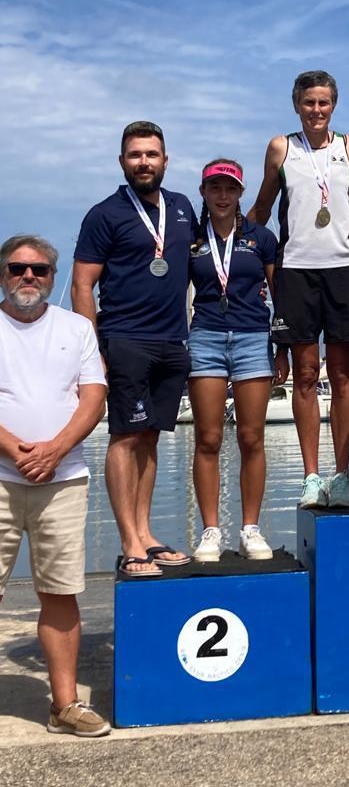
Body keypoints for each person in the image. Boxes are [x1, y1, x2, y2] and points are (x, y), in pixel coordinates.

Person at [72, 121, 197, 577]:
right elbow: (82, 286)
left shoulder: (182, 207)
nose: (144, 162)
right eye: (135, 155)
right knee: (125, 436)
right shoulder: (104, 214)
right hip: (124, 339)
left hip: (172, 341)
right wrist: (91, 351)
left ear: (166, 160)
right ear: (122, 161)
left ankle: (145, 532)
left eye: (151, 154)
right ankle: (129, 543)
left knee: (150, 437)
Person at [0, 235, 110, 736]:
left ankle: (63, 705)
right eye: (18, 269)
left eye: (40, 270)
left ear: (52, 275)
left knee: (60, 593)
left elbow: (93, 399)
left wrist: (55, 449)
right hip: (1, 477)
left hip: (63, 480)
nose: (29, 277)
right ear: (3, 273)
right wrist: (12, 448)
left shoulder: (76, 328)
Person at [247, 71, 349, 508]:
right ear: (296, 105)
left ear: (334, 105)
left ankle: (341, 474)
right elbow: (262, 206)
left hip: (345, 268)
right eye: (308, 103)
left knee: (342, 375)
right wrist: (231, 241)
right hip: (295, 269)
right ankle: (311, 476)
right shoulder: (282, 147)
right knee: (304, 375)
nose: (316, 110)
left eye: (324, 103)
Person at [189, 159, 289, 562]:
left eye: (230, 189)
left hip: (252, 339)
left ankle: (250, 528)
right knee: (209, 438)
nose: (223, 196)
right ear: (204, 193)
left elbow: (279, 293)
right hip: (206, 338)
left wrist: (283, 347)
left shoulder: (261, 238)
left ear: (240, 194)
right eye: (215, 188)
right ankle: (211, 531)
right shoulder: (190, 241)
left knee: (251, 438)